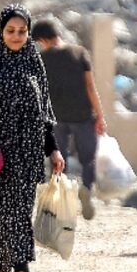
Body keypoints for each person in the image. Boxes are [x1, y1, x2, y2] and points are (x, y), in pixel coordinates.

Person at [0, 5, 65, 272]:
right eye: (10, 31)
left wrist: (54, 150)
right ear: (1, 30)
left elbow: (43, 110)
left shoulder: (33, 59)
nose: (16, 36)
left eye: (22, 31)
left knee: (20, 211)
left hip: (27, 152)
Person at [31, 19, 107, 221]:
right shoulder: (79, 53)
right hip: (83, 115)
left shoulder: (41, 58)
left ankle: (57, 203)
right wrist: (100, 115)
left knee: (57, 161)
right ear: (58, 34)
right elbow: (90, 87)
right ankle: (87, 189)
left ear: (42, 40)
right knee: (88, 159)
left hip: (56, 117)